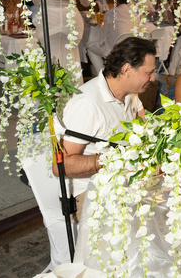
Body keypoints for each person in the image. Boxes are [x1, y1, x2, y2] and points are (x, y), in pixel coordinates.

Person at [55, 37, 156, 216]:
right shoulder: (87, 103)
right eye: (148, 72)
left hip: (125, 180)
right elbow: (60, 166)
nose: (153, 78)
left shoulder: (130, 94)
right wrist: (111, 158)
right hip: (90, 192)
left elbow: (145, 127)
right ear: (126, 70)